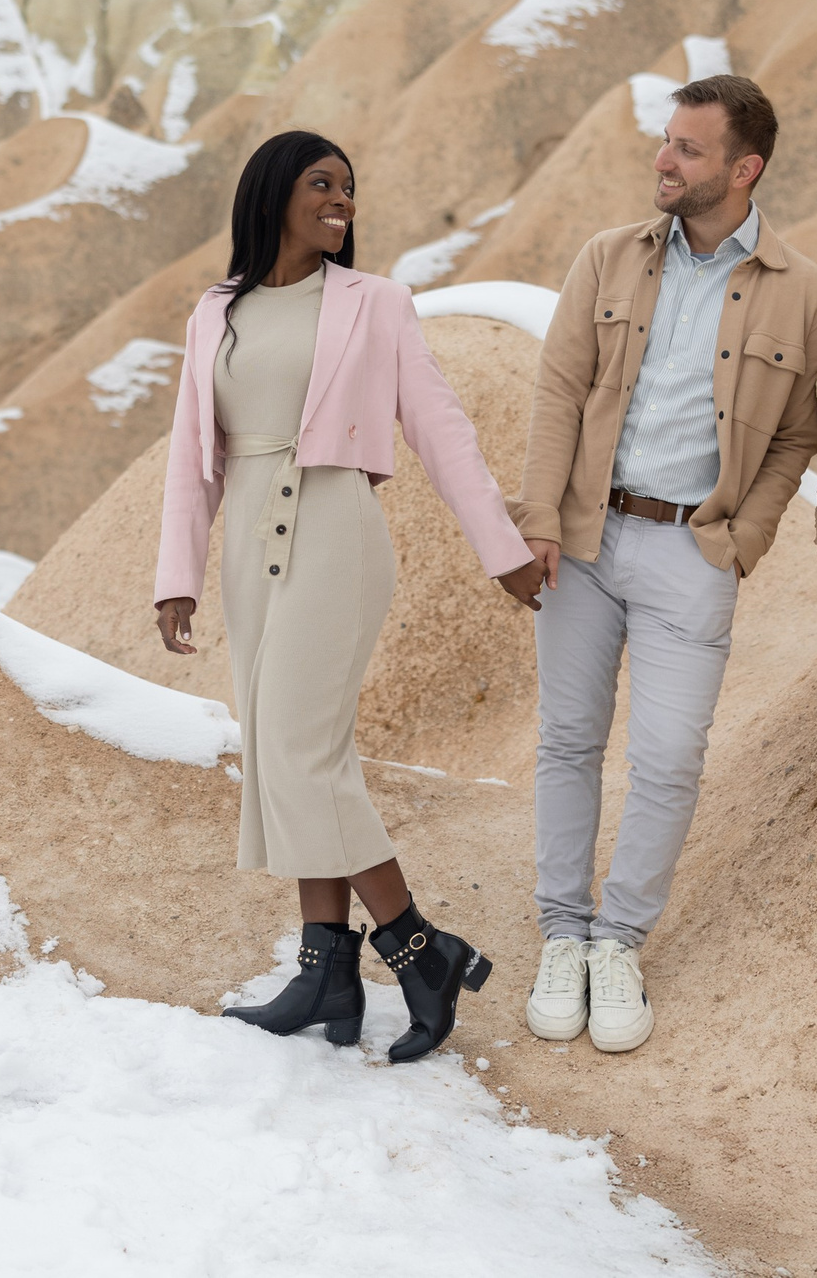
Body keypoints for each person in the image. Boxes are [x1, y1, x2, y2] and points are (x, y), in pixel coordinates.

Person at [153, 130, 544, 1063]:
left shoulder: (377, 305)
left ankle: (420, 950)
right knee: (284, 754)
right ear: (274, 193)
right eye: (322, 184)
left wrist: (502, 550)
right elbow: (188, 457)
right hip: (251, 542)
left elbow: (441, 429)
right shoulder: (218, 312)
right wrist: (179, 578)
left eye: (349, 188)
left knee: (300, 747)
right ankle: (327, 972)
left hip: (335, 533)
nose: (341, 201)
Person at [510, 74, 817, 1053]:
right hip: (581, 538)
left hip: (691, 554)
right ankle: (561, 933)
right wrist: (536, 518)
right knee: (569, 738)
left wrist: (746, 539)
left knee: (666, 759)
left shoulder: (810, 299)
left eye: (688, 150)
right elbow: (556, 392)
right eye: (665, 142)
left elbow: (795, 438)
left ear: (746, 169)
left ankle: (618, 942)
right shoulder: (605, 260)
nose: (664, 160)